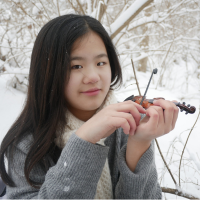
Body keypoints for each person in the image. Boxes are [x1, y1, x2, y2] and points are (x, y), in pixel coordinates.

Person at [0, 14, 179, 199]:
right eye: (76, 66)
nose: (93, 77)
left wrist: (139, 144)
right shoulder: (26, 145)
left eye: (101, 63)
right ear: (48, 73)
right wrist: (85, 140)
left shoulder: (127, 125)